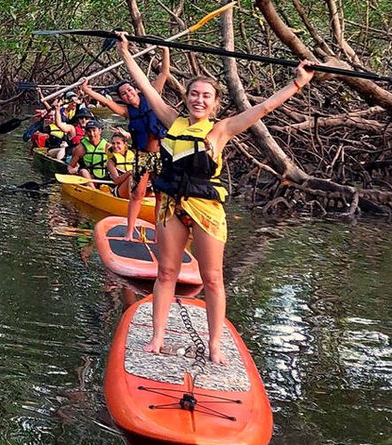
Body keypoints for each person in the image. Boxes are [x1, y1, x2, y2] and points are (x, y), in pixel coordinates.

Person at [116, 32, 314, 364]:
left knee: (212, 278)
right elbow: (148, 90)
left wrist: (297, 83)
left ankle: (215, 345)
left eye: (206, 96)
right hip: (170, 207)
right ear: (186, 98)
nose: (198, 100)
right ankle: (157, 337)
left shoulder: (220, 130)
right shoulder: (171, 120)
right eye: (194, 94)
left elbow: (263, 108)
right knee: (166, 273)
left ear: (214, 103)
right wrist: (125, 53)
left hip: (206, 210)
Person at [80, 46, 170, 241]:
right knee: (137, 194)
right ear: (122, 98)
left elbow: (164, 72)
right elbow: (104, 101)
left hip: (160, 156)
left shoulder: (152, 96)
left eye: (129, 90)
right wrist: (86, 89)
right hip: (142, 156)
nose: (128, 95)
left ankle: (159, 234)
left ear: (135, 89)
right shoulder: (126, 111)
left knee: (161, 196)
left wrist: (165, 50)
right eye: (124, 94)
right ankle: (130, 232)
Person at [67, 119, 110, 186]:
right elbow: (70, 167)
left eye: (94, 130)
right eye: (89, 131)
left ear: (100, 131)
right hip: (88, 176)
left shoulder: (107, 146)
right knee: (83, 171)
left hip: (104, 177)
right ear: (86, 133)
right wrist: (72, 170)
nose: (92, 134)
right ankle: (94, 191)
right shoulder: (80, 148)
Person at [106, 131, 135, 197]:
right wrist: (129, 172)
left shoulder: (133, 153)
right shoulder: (111, 161)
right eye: (113, 143)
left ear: (125, 144)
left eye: (118, 143)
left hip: (134, 187)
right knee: (131, 177)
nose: (115, 146)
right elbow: (116, 180)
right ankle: (133, 203)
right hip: (118, 190)